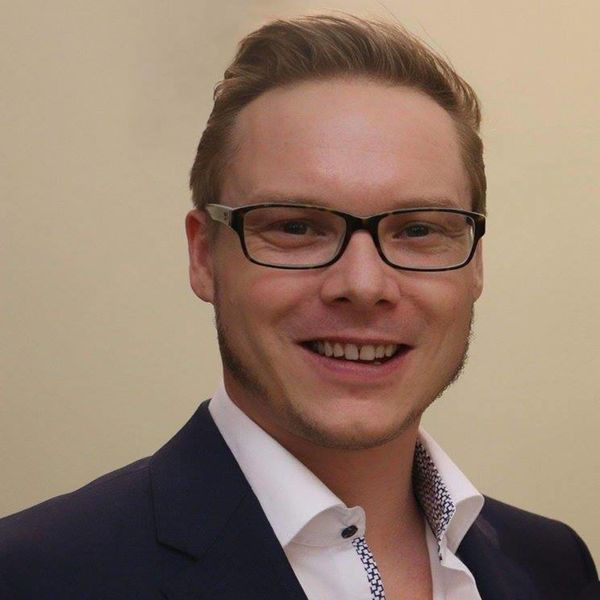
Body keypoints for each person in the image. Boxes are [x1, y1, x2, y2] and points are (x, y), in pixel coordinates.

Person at [0, 13, 597, 600]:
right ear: (204, 256)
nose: (363, 284)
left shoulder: (555, 567)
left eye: (418, 230)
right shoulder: (33, 576)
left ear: (476, 264)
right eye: (296, 227)